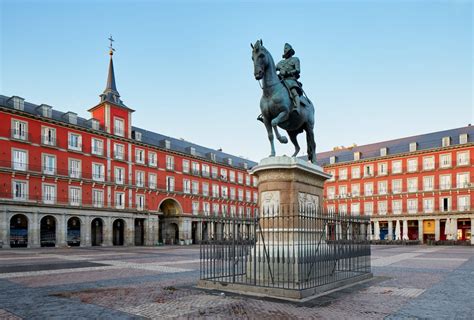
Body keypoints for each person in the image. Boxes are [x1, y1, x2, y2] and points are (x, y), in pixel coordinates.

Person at [257, 43, 303, 122]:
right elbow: (273, 69)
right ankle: (265, 112)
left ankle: (297, 107)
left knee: (293, 90)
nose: (286, 51)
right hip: (281, 80)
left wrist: (287, 72)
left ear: (290, 52)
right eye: (285, 50)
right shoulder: (281, 63)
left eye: (287, 50)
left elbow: (298, 70)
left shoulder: (295, 59)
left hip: (290, 79)